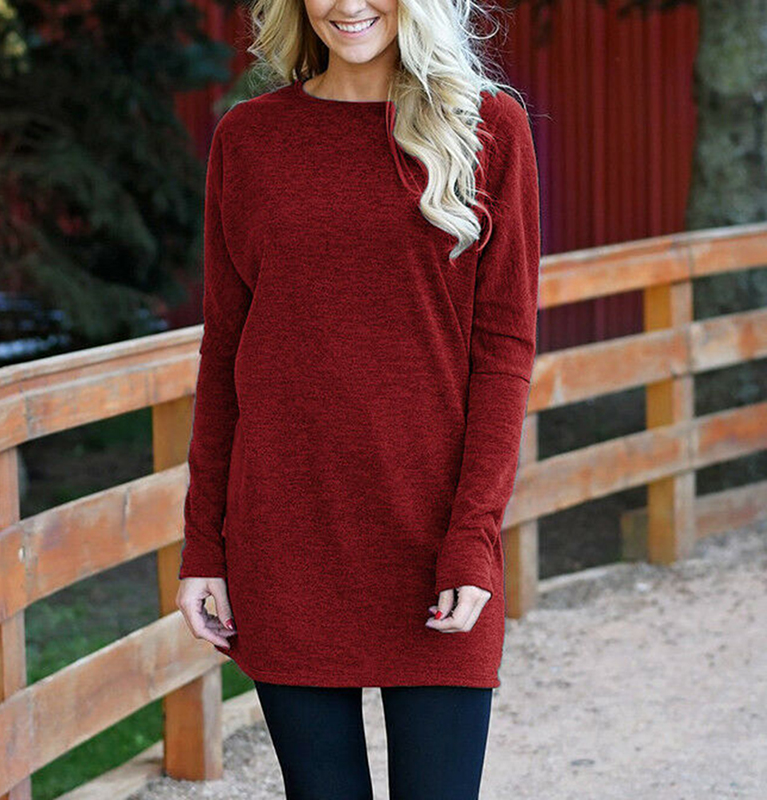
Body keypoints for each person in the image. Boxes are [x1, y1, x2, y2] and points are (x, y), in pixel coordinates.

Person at [176, 0, 541, 797]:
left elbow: (503, 352)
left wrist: (473, 536)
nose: (347, 5)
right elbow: (225, 352)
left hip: (432, 531)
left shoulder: (487, 128)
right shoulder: (249, 138)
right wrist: (204, 543)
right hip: (287, 535)